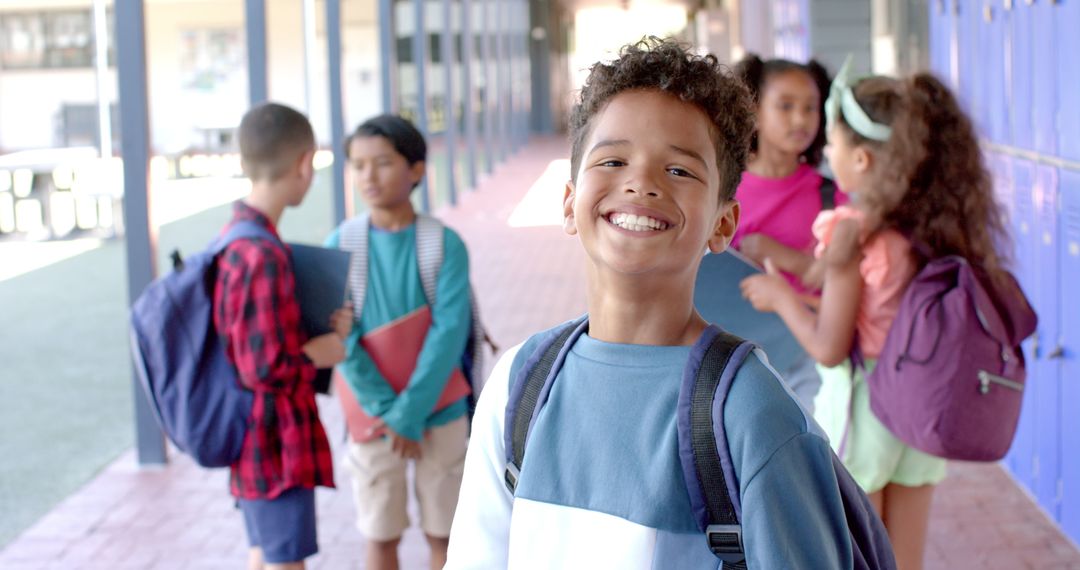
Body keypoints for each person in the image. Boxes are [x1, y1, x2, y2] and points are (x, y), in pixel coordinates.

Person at [445, 38, 861, 568]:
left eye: (680, 170)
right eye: (613, 160)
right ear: (570, 202)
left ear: (723, 224)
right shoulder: (518, 387)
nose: (640, 182)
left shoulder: (757, 414)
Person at [741, 59, 1010, 570]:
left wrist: (780, 295)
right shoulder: (933, 227)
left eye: (836, 144)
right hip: (921, 410)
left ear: (861, 159)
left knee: (856, 556)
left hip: (864, 413)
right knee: (906, 559)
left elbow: (828, 345)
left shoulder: (852, 231)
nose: (829, 154)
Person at [326, 115, 472, 570]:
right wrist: (395, 415)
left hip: (438, 412)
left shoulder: (444, 244)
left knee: (446, 538)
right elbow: (341, 339)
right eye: (358, 164)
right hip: (374, 419)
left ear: (416, 170)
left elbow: (450, 332)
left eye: (383, 162)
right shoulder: (341, 244)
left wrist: (408, 413)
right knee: (380, 536)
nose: (368, 176)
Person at [214, 102, 349, 570]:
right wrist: (321, 352)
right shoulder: (261, 254)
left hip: (257, 441)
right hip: (275, 442)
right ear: (303, 164)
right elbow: (264, 368)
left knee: (266, 555)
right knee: (284, 562)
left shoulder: (238, 236)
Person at [728, 54, 838, 412]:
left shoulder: (831, 194)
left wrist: (785, 257)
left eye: (810, 108)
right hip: (736, 359)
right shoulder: (722, 192)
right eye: (786, 106)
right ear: (754, 110)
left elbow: (852, 288)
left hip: (810, 361)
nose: (800, 119)